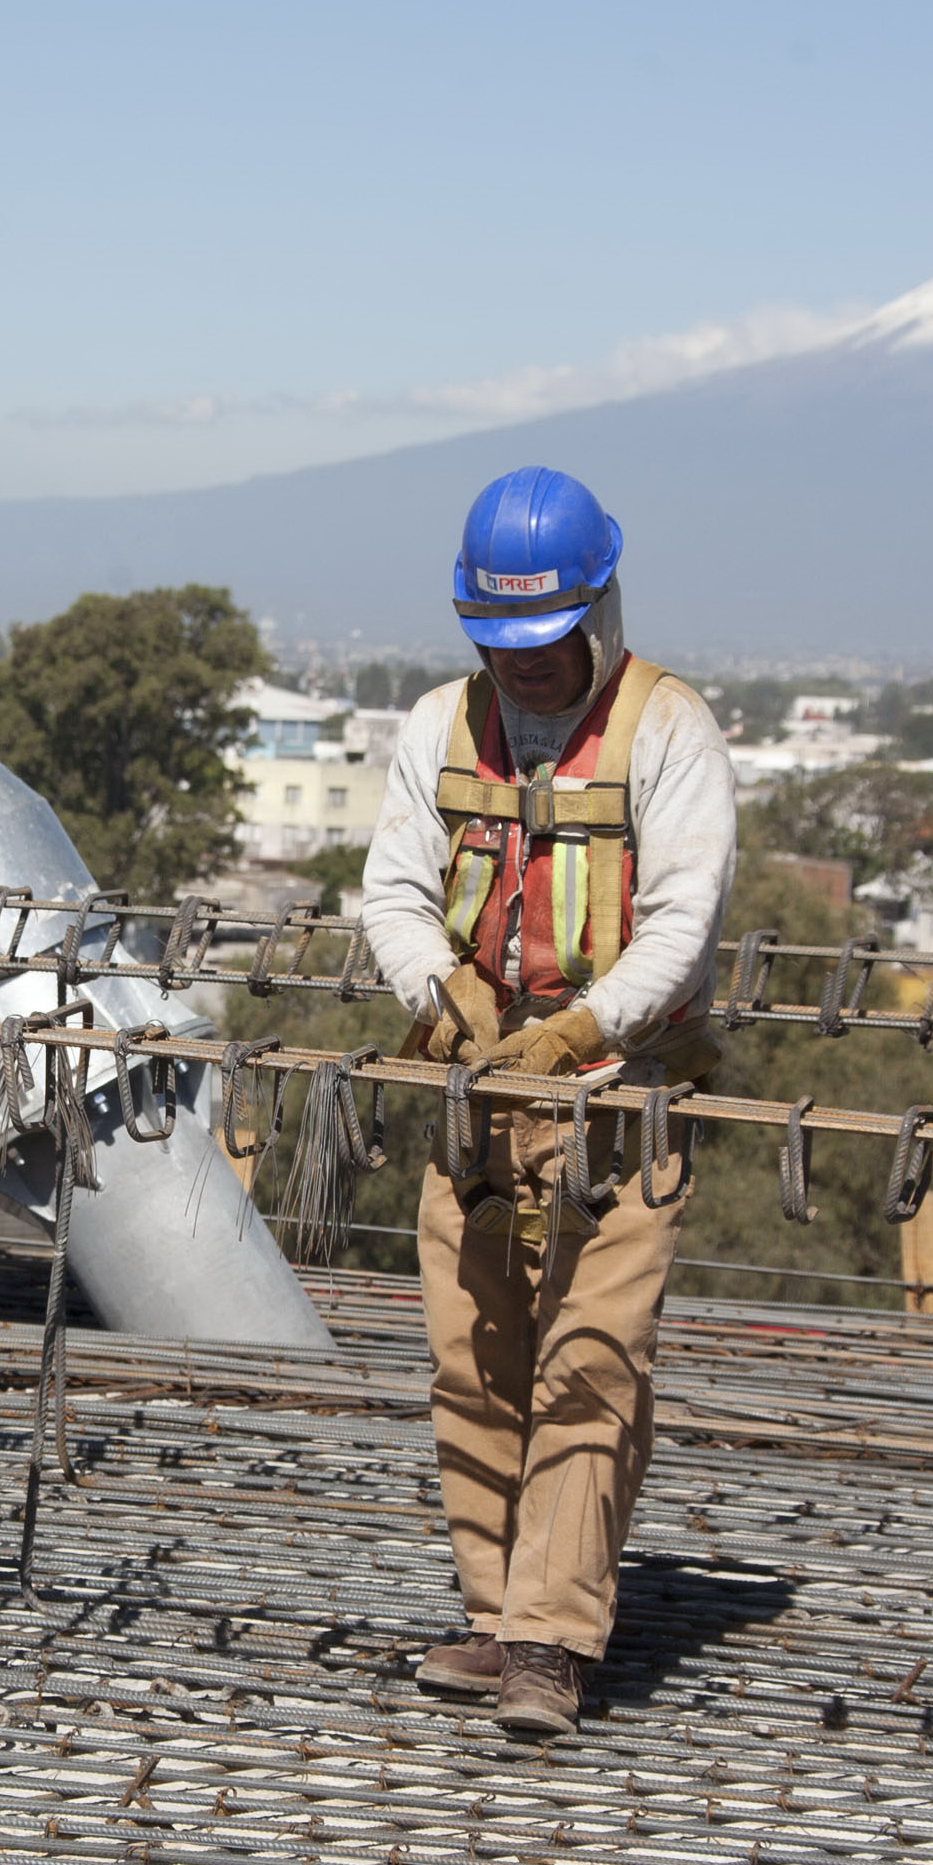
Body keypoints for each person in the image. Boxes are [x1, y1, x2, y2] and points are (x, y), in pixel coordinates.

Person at [358, 465, 736, 1739]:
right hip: (473, 1096)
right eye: (495, 640)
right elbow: (395, 891)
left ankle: (550, 1643)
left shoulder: (669, 731)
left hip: (615, 1108)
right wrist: (441, 990)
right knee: (474, 1358)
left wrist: (581, 1026)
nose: (519, 666)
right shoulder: (436, 724)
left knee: (588, 1364)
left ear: (598, 607)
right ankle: (490, 1607)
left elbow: (682, 920)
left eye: (542, 638)